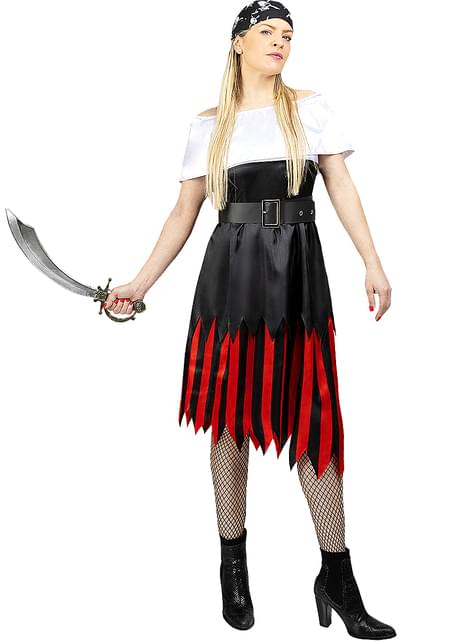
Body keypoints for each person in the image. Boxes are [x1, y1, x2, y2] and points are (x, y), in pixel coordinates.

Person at [103, 2, 395, 638]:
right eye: (267, 32)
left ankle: (337, 575)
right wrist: (138, 283)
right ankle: (231, 567)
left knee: (314, 417)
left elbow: (341, 186)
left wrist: (372, 262)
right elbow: (184, 213)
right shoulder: (208, 124)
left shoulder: (310, 108)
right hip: (230, 279)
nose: (280, 42)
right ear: (238, 42)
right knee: (229, 418)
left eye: (288, 35)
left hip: (300, 277)